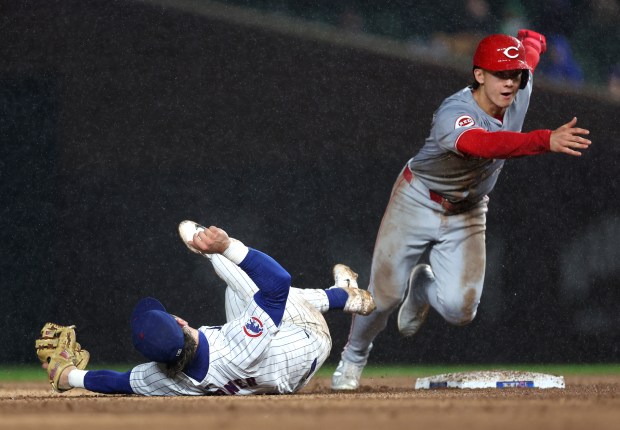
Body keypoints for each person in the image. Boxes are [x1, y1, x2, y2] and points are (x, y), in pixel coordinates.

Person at [331, 29, 592, 390]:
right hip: (419, 199)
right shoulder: (454, 112)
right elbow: (484, 144)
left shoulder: (519, 85)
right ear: (479, 75)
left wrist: (533, 42)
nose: (509, 82)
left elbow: (528, 59)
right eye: (499, 73)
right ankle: (353, 358)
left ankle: (421, 286)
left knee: (460, 310)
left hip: (468, 210)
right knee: (383, 297)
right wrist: (544, 139)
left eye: (514, 74)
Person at [37, 220, 376, 395]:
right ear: (180, 321)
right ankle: (343, 296)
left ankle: (341, 293)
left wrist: (69, 376)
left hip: (287, 379)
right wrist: (227, 247)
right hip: (310, 340)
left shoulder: (164, 379)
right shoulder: (237, 343)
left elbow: (119, 382)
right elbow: (278, 283)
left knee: (237, 293)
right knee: (246, 278)